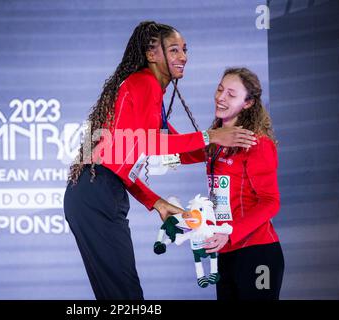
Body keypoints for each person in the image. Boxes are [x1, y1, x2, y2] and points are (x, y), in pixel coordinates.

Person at [63, 21, 256, 300]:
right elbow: (150, 145)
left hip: (95, 193)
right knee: (124, 295)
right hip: (97, 194)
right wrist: (211, 136)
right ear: (151, 54)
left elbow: (142, 157)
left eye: (185, 50)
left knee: (118, 294)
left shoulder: (148, 91)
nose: (184, 57)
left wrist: (157, 201)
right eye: (174, 50)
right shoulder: (145, 84)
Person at [185, 67, 284, 299]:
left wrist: (230, 233)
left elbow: (271, 203)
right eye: (220, 90)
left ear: (248, 103)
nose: (220, 97)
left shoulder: (256, 142)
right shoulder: (216, 140)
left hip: (258, 253)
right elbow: (183, 152)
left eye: (231, 94)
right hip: (226, 251)